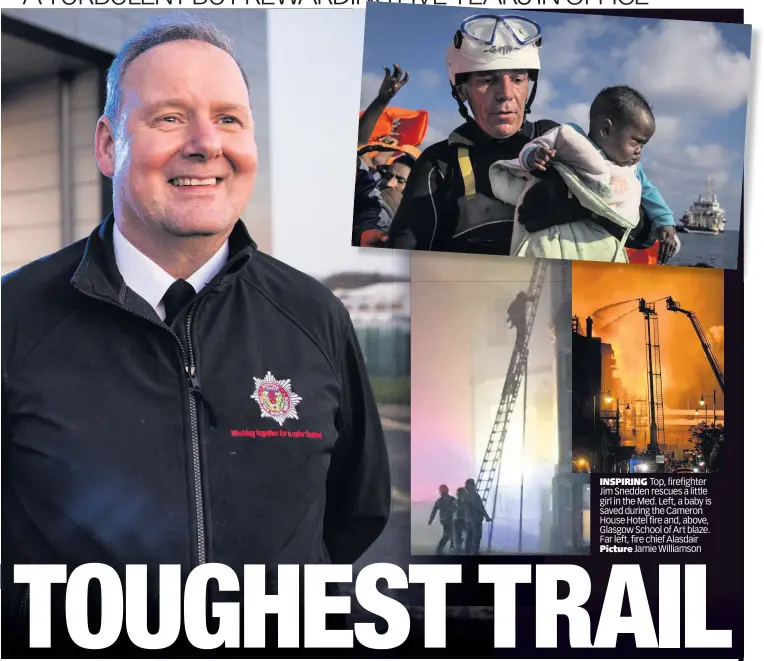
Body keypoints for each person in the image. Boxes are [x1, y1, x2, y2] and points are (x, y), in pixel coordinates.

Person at [1, 17, 390, 652]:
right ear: (107, 145)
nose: (207, 144)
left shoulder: (315, 316)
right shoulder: (15, 318)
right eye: (170, 117)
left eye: (230, 119)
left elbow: (355, 514)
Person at [386, 14, 663, 258]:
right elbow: (401, 264)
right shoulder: (438, 166)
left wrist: (582, 206)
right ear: (462, 92)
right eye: (487, 80)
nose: (506, 93)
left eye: (517, 79)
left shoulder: (561, 140)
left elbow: (646, 235)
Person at [489, 85, 679, 263]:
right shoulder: (571, 140)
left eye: (643, 145)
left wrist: (666, 222)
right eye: (636, 142)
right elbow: (533, 148)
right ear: (606, 129)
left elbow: (649, 192)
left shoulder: (632, 170)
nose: (639, 151)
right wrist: (534, 156)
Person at [463, 478, 491, 554]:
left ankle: (467, 551)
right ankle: (474, 552)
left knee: (469, 536)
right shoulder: (475, 496)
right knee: (477, 536)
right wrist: (487, 517)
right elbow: (481, 508)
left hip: (468, 520)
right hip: (475, 520)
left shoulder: (465, 496)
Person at [428, 484, 457, 555]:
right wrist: (431, 519)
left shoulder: (443, 500)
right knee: (448, 534)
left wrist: (431, 520)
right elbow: (434, 511)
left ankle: (450, 547)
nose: (440, 492)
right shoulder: (446, 500)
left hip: (448, 520)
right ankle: (440, 549)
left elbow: (434, 511)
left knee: (451, 534)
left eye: (440, 491)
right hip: (447, 520)